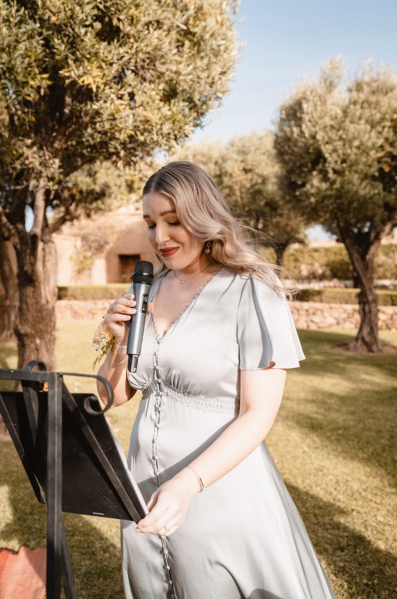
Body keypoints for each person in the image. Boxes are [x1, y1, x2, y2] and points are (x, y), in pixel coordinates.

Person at [96, 161, 336, 599]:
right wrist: (116, 342)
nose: (159, 237)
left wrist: (187, 484)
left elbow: (258, 414)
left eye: (173, 221)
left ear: (203, 217)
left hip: (218, 491)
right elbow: (111, 396)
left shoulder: (252, 291)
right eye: (151, 223)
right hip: (142, 491)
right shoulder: (146, 290)